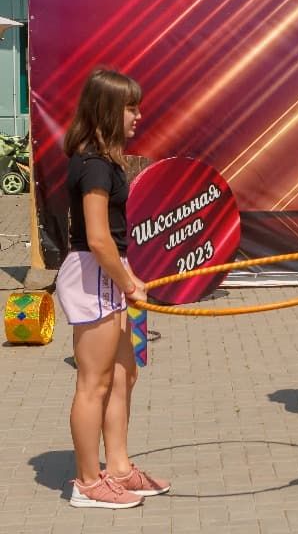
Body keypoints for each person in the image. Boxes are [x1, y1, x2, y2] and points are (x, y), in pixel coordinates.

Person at [56, 69, 169, 508]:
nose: (138, 116)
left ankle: (118, 468)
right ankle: (87, 483)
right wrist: (127, 283)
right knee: (95, 382)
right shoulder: (94, 165)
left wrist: (127, 275)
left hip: (109, 271)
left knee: (124, 374)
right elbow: (98, 238)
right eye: (130, 108)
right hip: (95, 274)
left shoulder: (105, 161)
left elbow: (112, 242)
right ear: (107, 110)